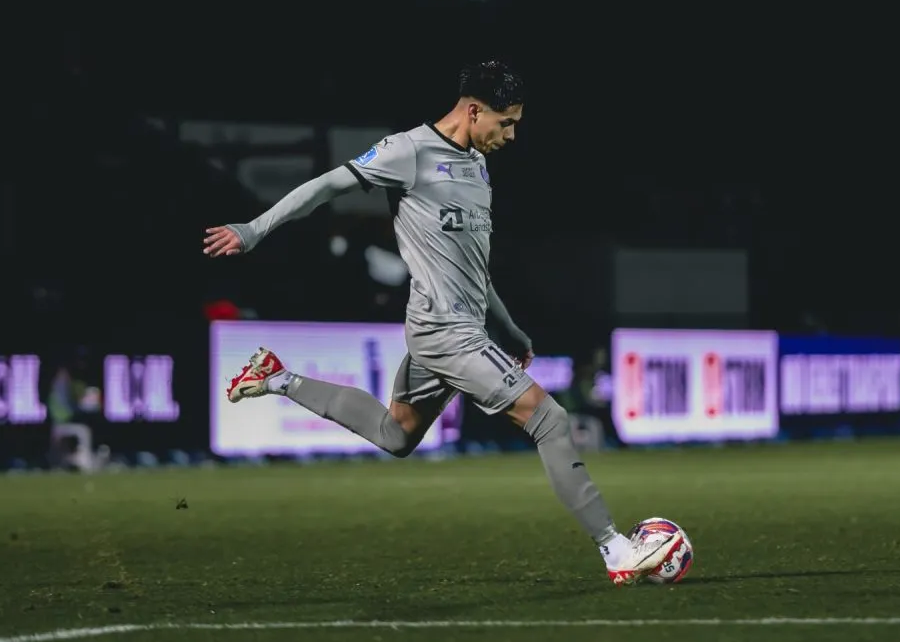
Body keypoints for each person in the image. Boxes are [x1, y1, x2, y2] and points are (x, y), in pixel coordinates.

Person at [202, 61, 681, 585]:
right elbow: (324, 186)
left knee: (395, 434)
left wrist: (508, 326)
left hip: (463, 328)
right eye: (506, 122)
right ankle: (615, 549)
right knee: (550, 420)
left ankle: (276, 377)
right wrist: (253, 228)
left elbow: (473, 268)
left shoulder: (477, 167)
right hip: (444, 331)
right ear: (473, 110)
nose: (512, 134)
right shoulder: (406, 151)